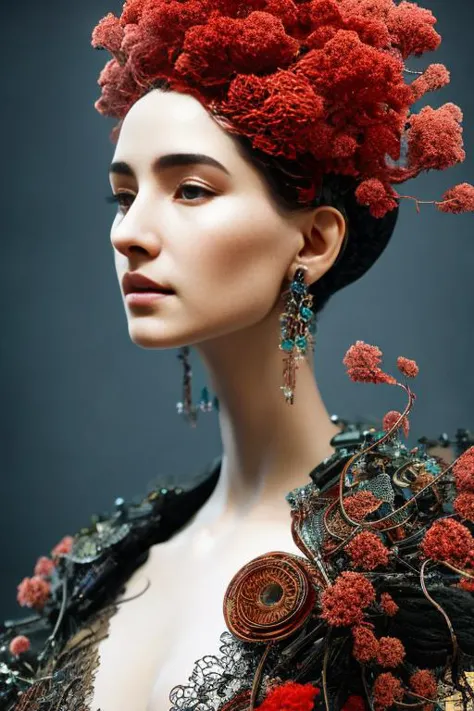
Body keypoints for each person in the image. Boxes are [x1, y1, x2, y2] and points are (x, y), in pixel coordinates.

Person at [1, 0, 473, 709]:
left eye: (190, 189)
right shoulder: (100, 566)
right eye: (123, 196)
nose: (128, 233)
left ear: (313, 242)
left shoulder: (426, 547)